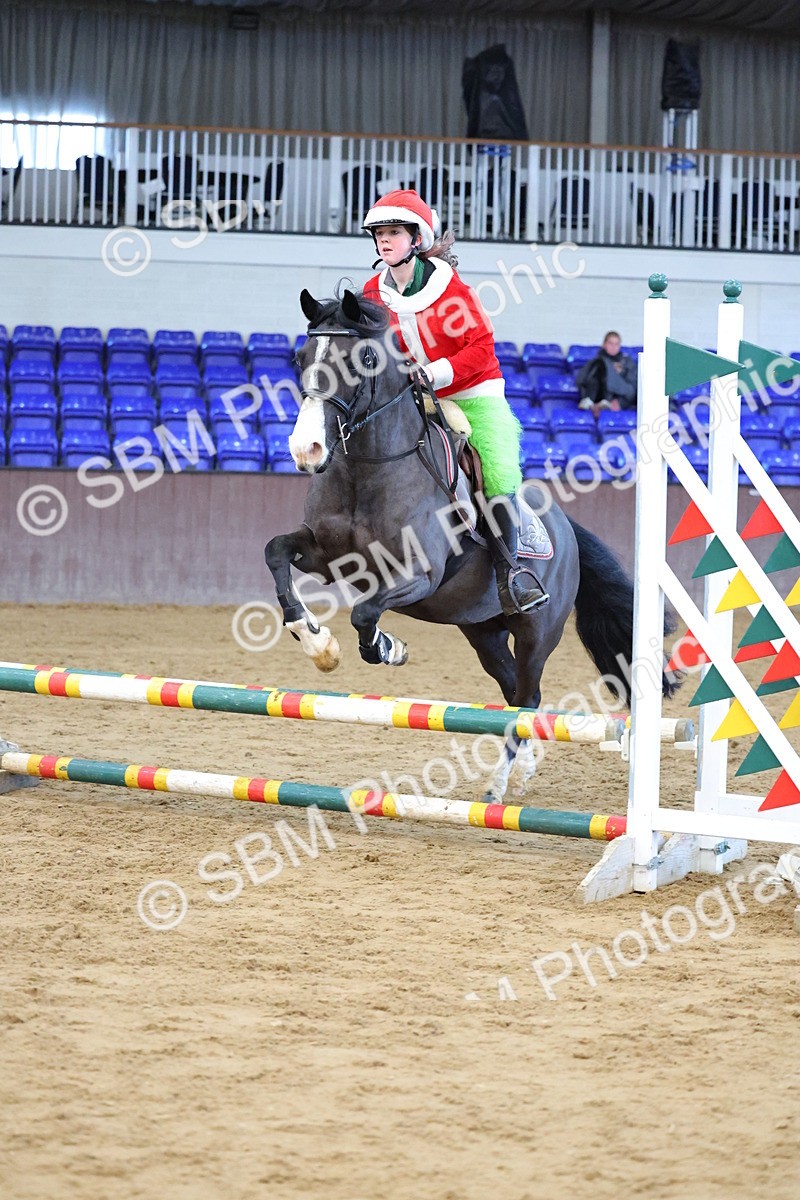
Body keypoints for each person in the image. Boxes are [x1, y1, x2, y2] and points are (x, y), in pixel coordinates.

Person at [361, 188, 548, 615]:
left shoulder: (452, 291)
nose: (384, 241)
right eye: (378, 234)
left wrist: (435, 373)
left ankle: (512, 573)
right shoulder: (373, 292)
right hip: (414, 397)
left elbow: (481, 349)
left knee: (498, 470)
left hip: (474, 393)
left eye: (393, 232)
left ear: (416, 239)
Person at [576, 332, 637, 418]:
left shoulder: (628, 364)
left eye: (616, 344)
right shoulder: (595, 363)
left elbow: (632, 388)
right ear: (604, 344)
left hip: (619, 402)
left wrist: (620, 403)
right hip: (595, 403)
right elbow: (582, 381)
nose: (613, 347)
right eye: (610, 343)